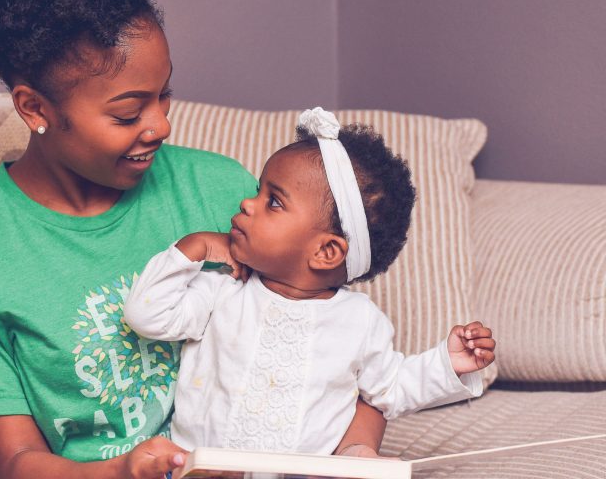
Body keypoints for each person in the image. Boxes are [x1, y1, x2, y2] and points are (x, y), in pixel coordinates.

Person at [0, 0, 387, 478]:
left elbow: (341, 350)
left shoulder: (223, 190)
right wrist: (118, 472)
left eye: (164, 95)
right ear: (34, 108)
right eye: (128, 113)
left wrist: (356, 455)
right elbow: (18, 460)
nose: (160, 125)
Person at [123, 108, 497, 454]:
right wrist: (192, 249)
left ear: (326, 253)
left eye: (273, 201)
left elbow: (390, 389)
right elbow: (147, 316)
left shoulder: (360, 321)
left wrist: (448, 363)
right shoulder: (224, 290)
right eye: (258, 191)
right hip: (202, 470)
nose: (246, 204)